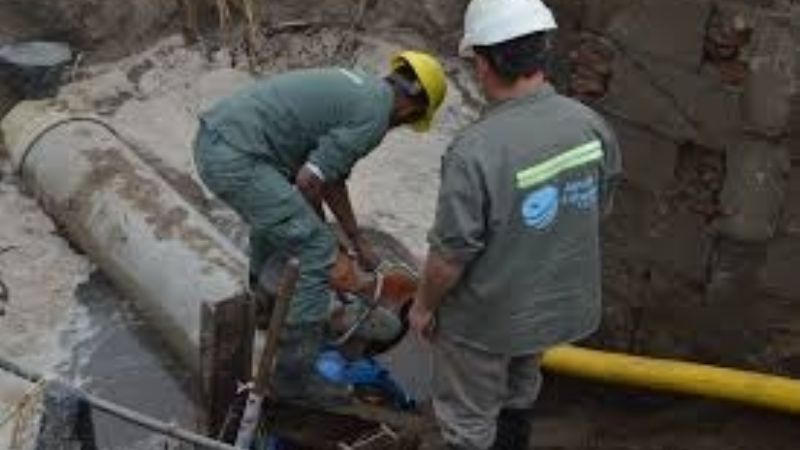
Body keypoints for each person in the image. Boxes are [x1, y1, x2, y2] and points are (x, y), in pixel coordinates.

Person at [409, 0, 622, 449]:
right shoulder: (589, 125)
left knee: (468, 422)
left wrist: (423, 306)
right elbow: (595, 209)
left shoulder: (476, 150)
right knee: (520, 392)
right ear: (541, 54)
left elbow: (451, 255)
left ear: (483, 63)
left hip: (486, 320)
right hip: (553, 306)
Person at [193, 51, 447, 405]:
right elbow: (309, 182)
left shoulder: (361, 90)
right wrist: (327, 242)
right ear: (409, 111)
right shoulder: (375, 116)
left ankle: (265, 307)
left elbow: (330, 177)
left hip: (221, 139)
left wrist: (356, 239)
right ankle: (294, 375)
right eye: (406, 123)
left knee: (280, 222)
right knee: (313, 247)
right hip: (237, 157)